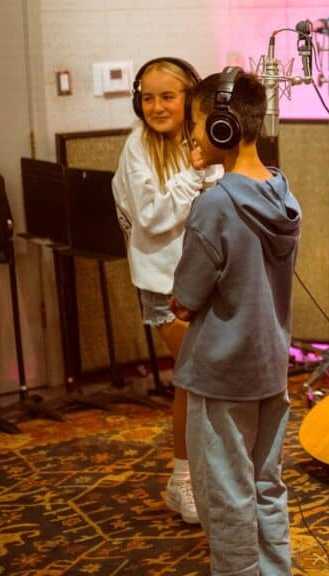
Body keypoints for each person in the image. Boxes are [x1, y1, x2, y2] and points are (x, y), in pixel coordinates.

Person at [169, 67, 301, 576]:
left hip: (221, 373)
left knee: (225, 496)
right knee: (267, 484)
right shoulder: (284, 193)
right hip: (270, 367)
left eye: (197, 123)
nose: (193, 135)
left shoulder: (215, 205)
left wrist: (178, 301)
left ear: (222, 126)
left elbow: (187, 295)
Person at [111, 57, 222, 525]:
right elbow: (153, 218)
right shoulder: (137, 147)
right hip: (165, 287)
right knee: (196, 381)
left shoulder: (203, 138)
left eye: (167, 96)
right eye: (148, 97)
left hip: (208, 279)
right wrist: (197, 174)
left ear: (190, 96)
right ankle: (182, 482)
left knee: (208, 382)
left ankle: (208, 475)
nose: (156, 106)